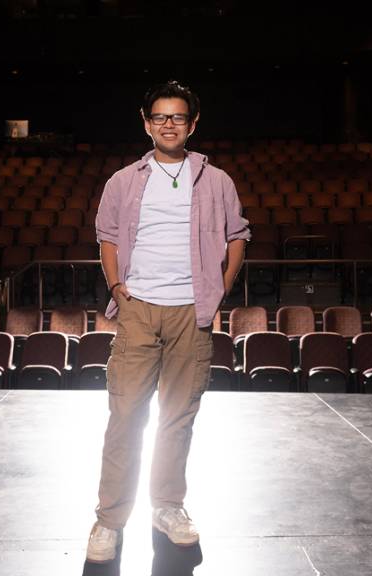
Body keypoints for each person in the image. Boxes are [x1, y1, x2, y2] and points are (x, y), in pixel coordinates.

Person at [86, 80, 251, 563]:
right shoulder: (123, 181)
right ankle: (109, 519)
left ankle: (168, 507)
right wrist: (118, 288)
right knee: (126, 416)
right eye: (160, 117)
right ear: (146, 123)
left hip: (191, 313)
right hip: (138, 311)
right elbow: (108, 238)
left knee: (177, 419)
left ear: (192, 124)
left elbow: (237, 235)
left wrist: (218, 288)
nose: (169, 124)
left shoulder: (216, 180)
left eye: (178, 117)